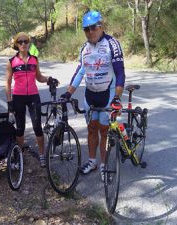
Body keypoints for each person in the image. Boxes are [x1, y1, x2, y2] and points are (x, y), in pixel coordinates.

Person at [60, 10, 125, 181]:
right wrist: (68, 92)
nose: (90, 32)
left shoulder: (112, 44)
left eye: (93, 28)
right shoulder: (84, 48)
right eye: (86, 29)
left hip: (107, 94)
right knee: (91, 129)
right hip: (90, 95)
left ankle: (104, 165)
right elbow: (80, 71)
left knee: (104, 131)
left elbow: (120, 72)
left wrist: (117, 97)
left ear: (101, 26)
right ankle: (92, 161)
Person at [5, 32, 59, 167]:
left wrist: (49, 79)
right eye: (20, 42)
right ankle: (20, 155)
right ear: (16, 44)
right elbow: (7, 83)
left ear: (29, 43)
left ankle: (42, 155)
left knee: (37, 127)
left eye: (25, 41)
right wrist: (9, 102)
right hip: (18, 97)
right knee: (20, 128)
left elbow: (39, 77)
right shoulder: (12, 62)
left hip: (34, 96)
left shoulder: (34, 59)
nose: (23, 44)